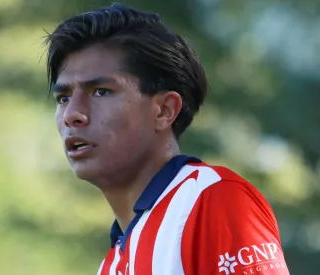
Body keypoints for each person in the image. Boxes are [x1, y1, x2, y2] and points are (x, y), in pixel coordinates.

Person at [44, 3, 290, 275]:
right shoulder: (111, 264)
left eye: (101, 91)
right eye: (63, 98)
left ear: (164, 110)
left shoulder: (212, 198)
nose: (72, 114)